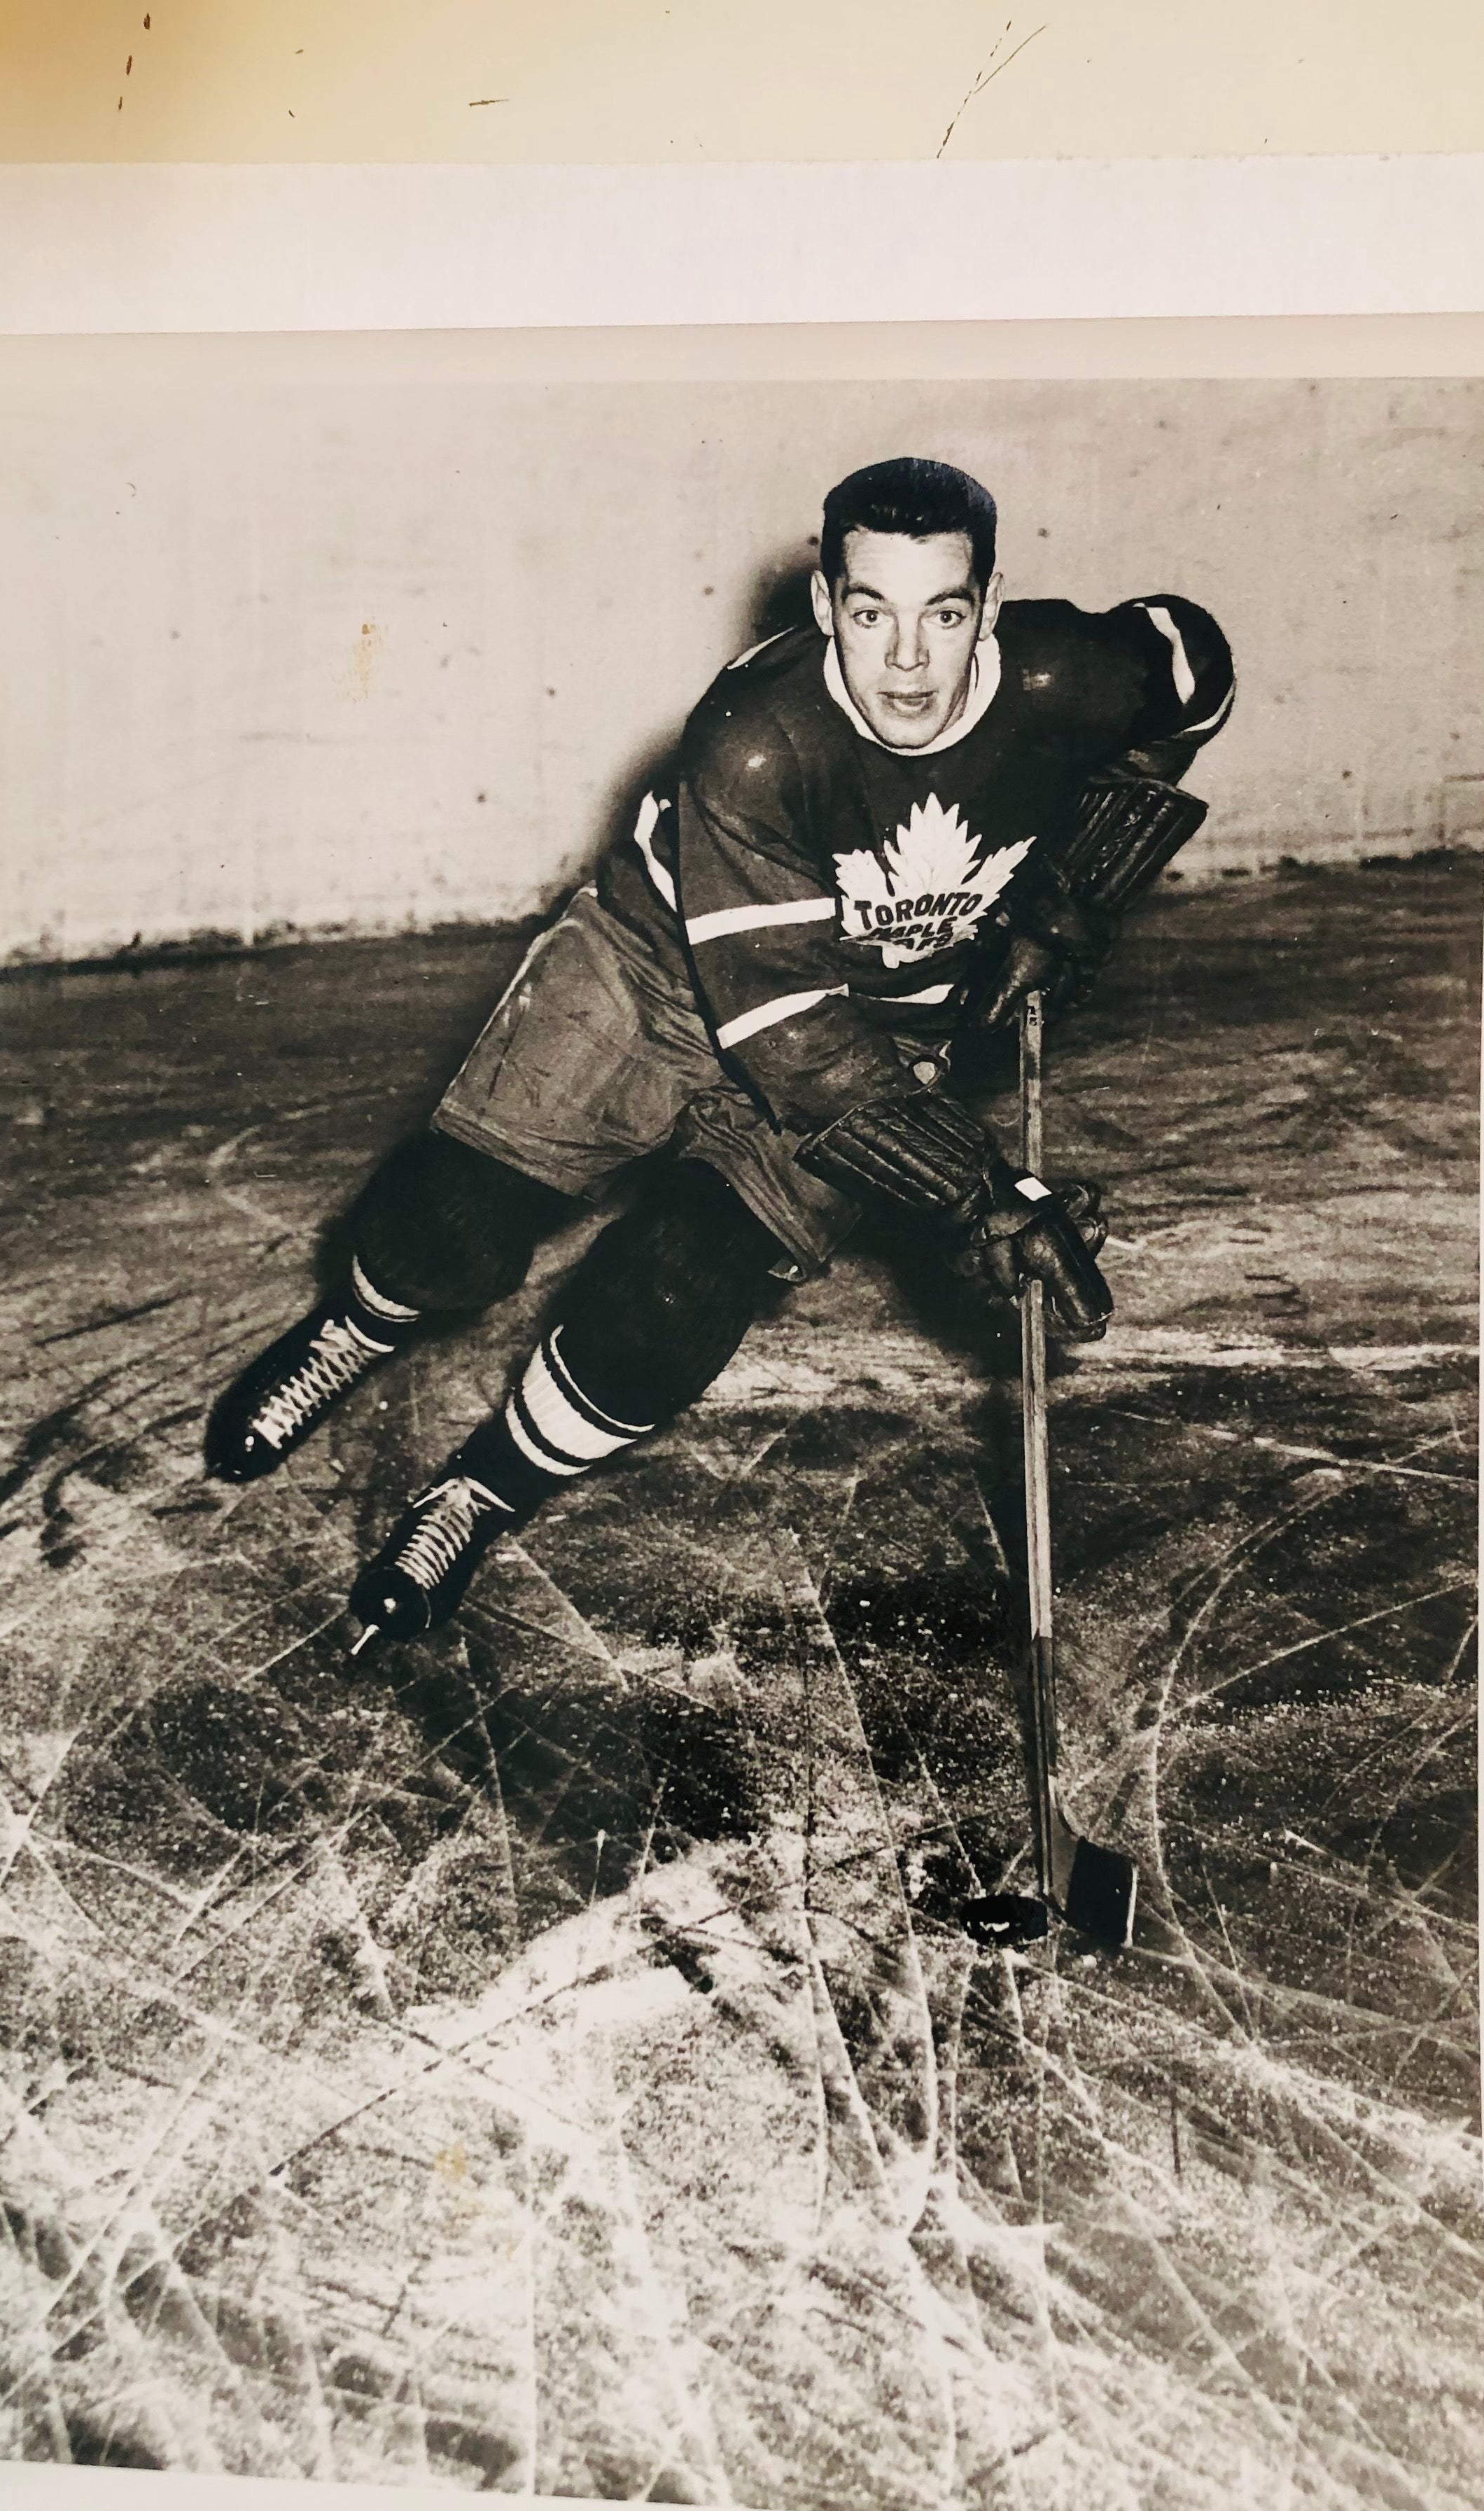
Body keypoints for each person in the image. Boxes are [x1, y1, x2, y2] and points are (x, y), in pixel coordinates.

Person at [204, 456, 1235, 1648]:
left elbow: (1196, 670)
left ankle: (479, 1494)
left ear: (990, 607)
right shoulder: (756, 740)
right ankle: (357, 1331)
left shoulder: (1071, 674)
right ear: (823, 609)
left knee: (678, 1289)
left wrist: (1083, 883)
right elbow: (789, 1036)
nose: (906, 661)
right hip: (659, 980)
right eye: (870, 613)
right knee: (448, 1228)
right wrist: (976, 1195)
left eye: (943, 614)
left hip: (883, 1028)